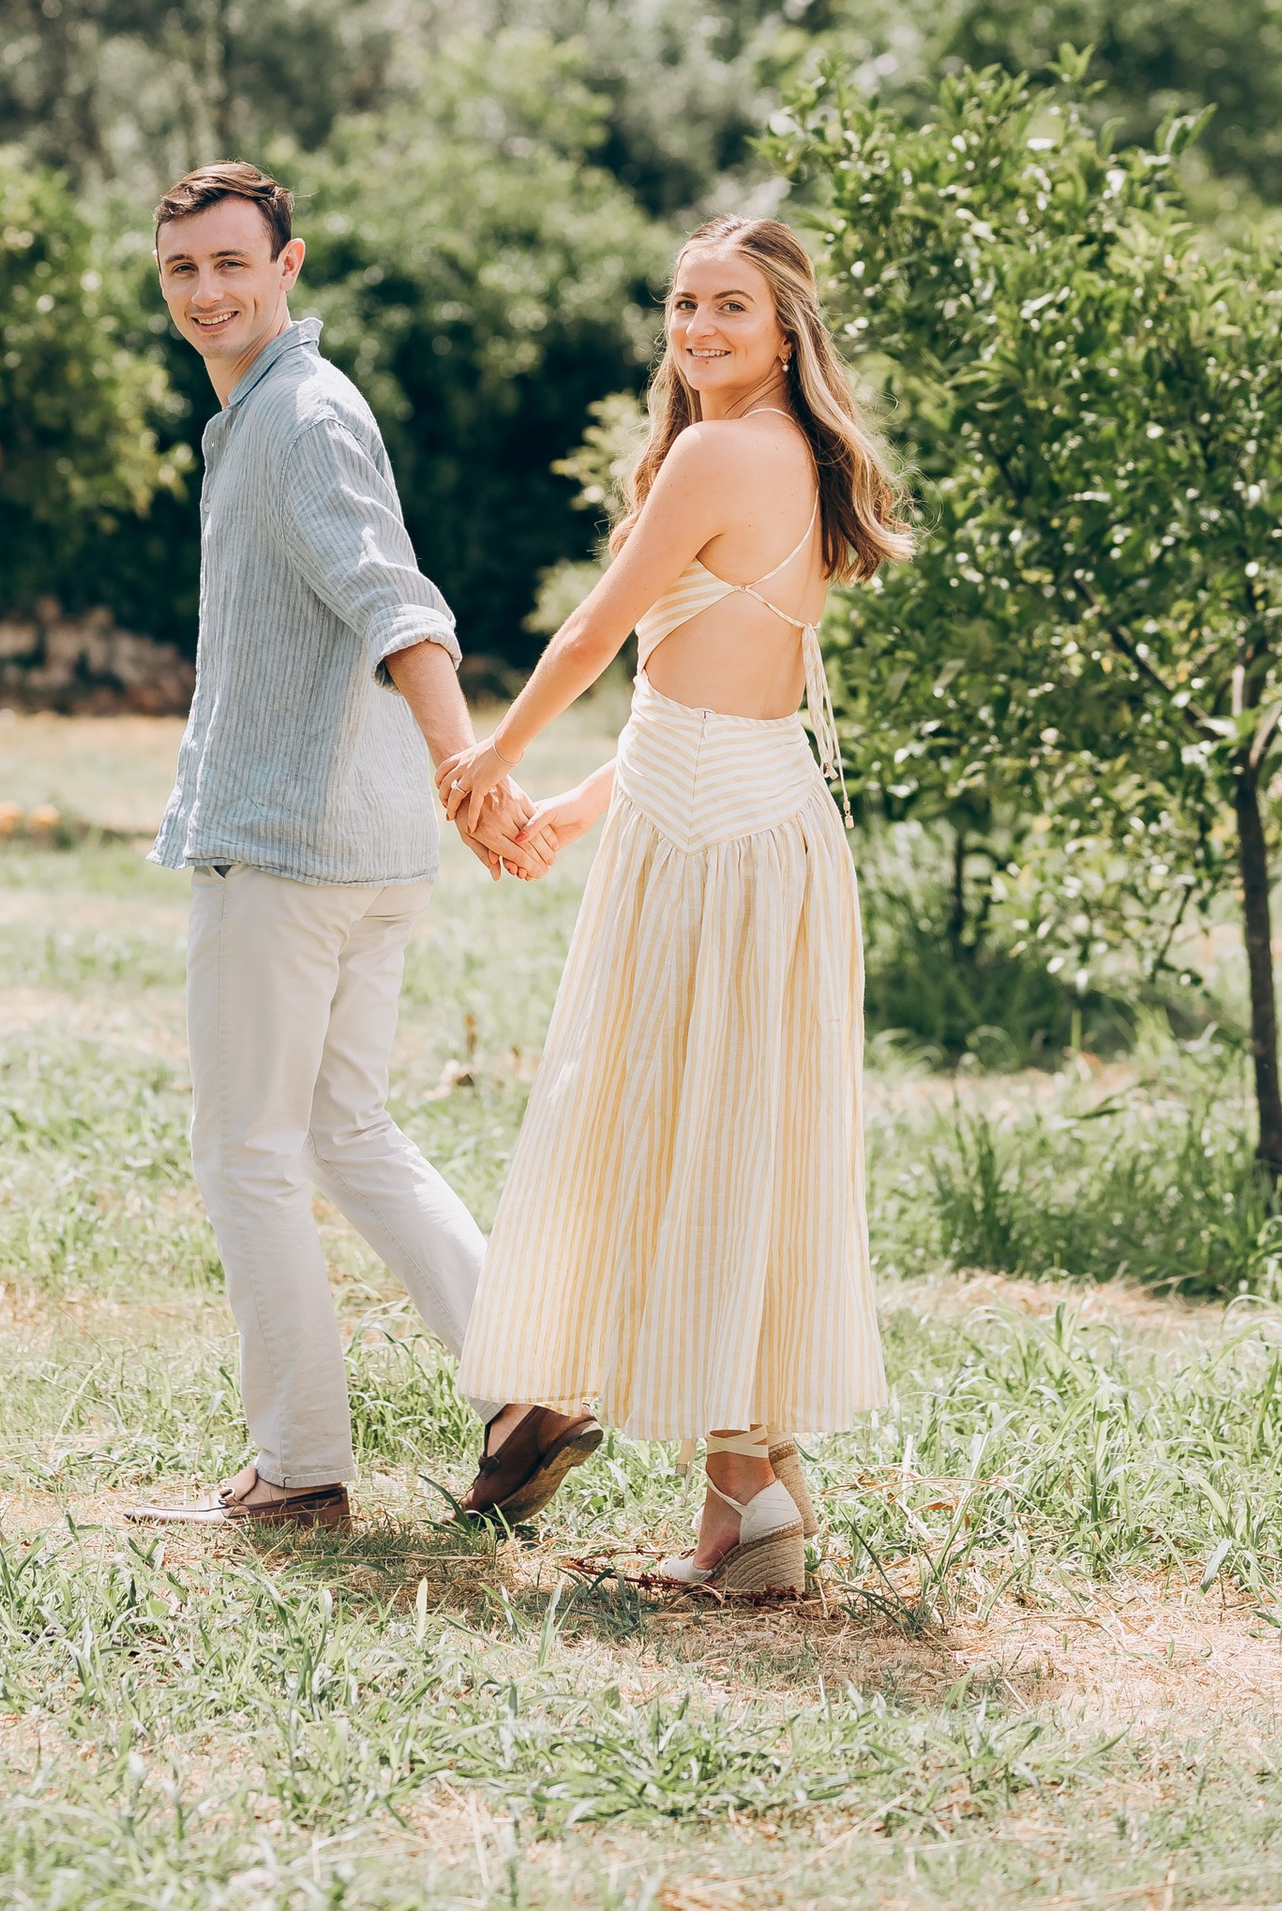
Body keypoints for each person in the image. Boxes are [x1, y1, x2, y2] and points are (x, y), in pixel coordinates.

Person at [436, 215, 908, 1595]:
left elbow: (598, 633)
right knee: (739, 1144)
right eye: (684, 304)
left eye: (730, 307)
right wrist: (574, 811)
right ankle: (751, 1504)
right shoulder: (796, 456)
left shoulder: (718, 452)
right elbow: (703, 691)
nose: (699, 328)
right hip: (748, 827)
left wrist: (486, 764)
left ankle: (744, 1503)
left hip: (717, 851)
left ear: (786, 330)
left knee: (691, 1137)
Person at [127, 161, 594, 1535]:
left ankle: (297, 1472)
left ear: (289, 266)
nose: (207, 291)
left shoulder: (297, 415)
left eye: (232, 263)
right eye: (182, 270)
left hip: (289, 846)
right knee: (343, 1129)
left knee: (248, 1153)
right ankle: (527, 1386)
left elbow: (398, 601)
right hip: (360, 848)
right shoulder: (275, 412)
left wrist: (466, 764)